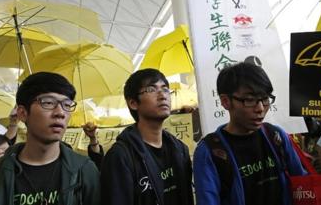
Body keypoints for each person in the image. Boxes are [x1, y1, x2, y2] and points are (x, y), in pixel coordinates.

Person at [0, 72, 100, 205]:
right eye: (48, 103)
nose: (60, 113)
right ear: (22, 113)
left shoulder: (84, 172)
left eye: (67, 105)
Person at [193, 62, 307, 205]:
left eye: (265, 99)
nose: (260, 108)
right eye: (250, 100)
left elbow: (303, 183)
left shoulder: (276, 136)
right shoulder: (210, 152)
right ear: (225, 101)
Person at [101, 68, 194, 205]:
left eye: (166, 89)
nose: (163, 95)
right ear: (133, 103)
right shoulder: (121, 156)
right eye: (151, 89)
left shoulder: (180, 149)